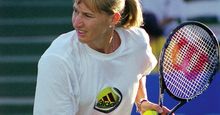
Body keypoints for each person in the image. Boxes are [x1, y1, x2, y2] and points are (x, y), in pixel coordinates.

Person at [33, 0, 173, 115]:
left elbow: (138, 70)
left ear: (114, 18)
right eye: (76, 11)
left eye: (87, 15)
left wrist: (142, 101)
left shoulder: (137, 42)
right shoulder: (57, 61)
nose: (76, 22)